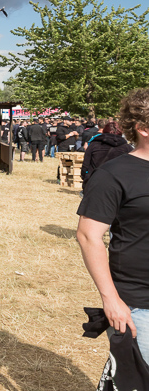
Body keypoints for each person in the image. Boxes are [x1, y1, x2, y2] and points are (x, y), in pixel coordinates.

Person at [77, 88, 149, 362]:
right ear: (142, 128)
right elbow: (88, 236)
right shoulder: (113, 174)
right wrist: (111, 300)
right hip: (139, 304)